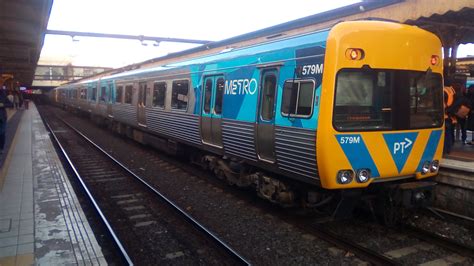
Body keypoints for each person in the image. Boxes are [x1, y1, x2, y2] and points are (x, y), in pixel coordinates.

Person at [0, 88, 8, 154]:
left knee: (2, 134)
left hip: (2, 118)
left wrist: (3, 105)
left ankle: (1, 148)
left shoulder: (3, 94)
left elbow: (10, 104)